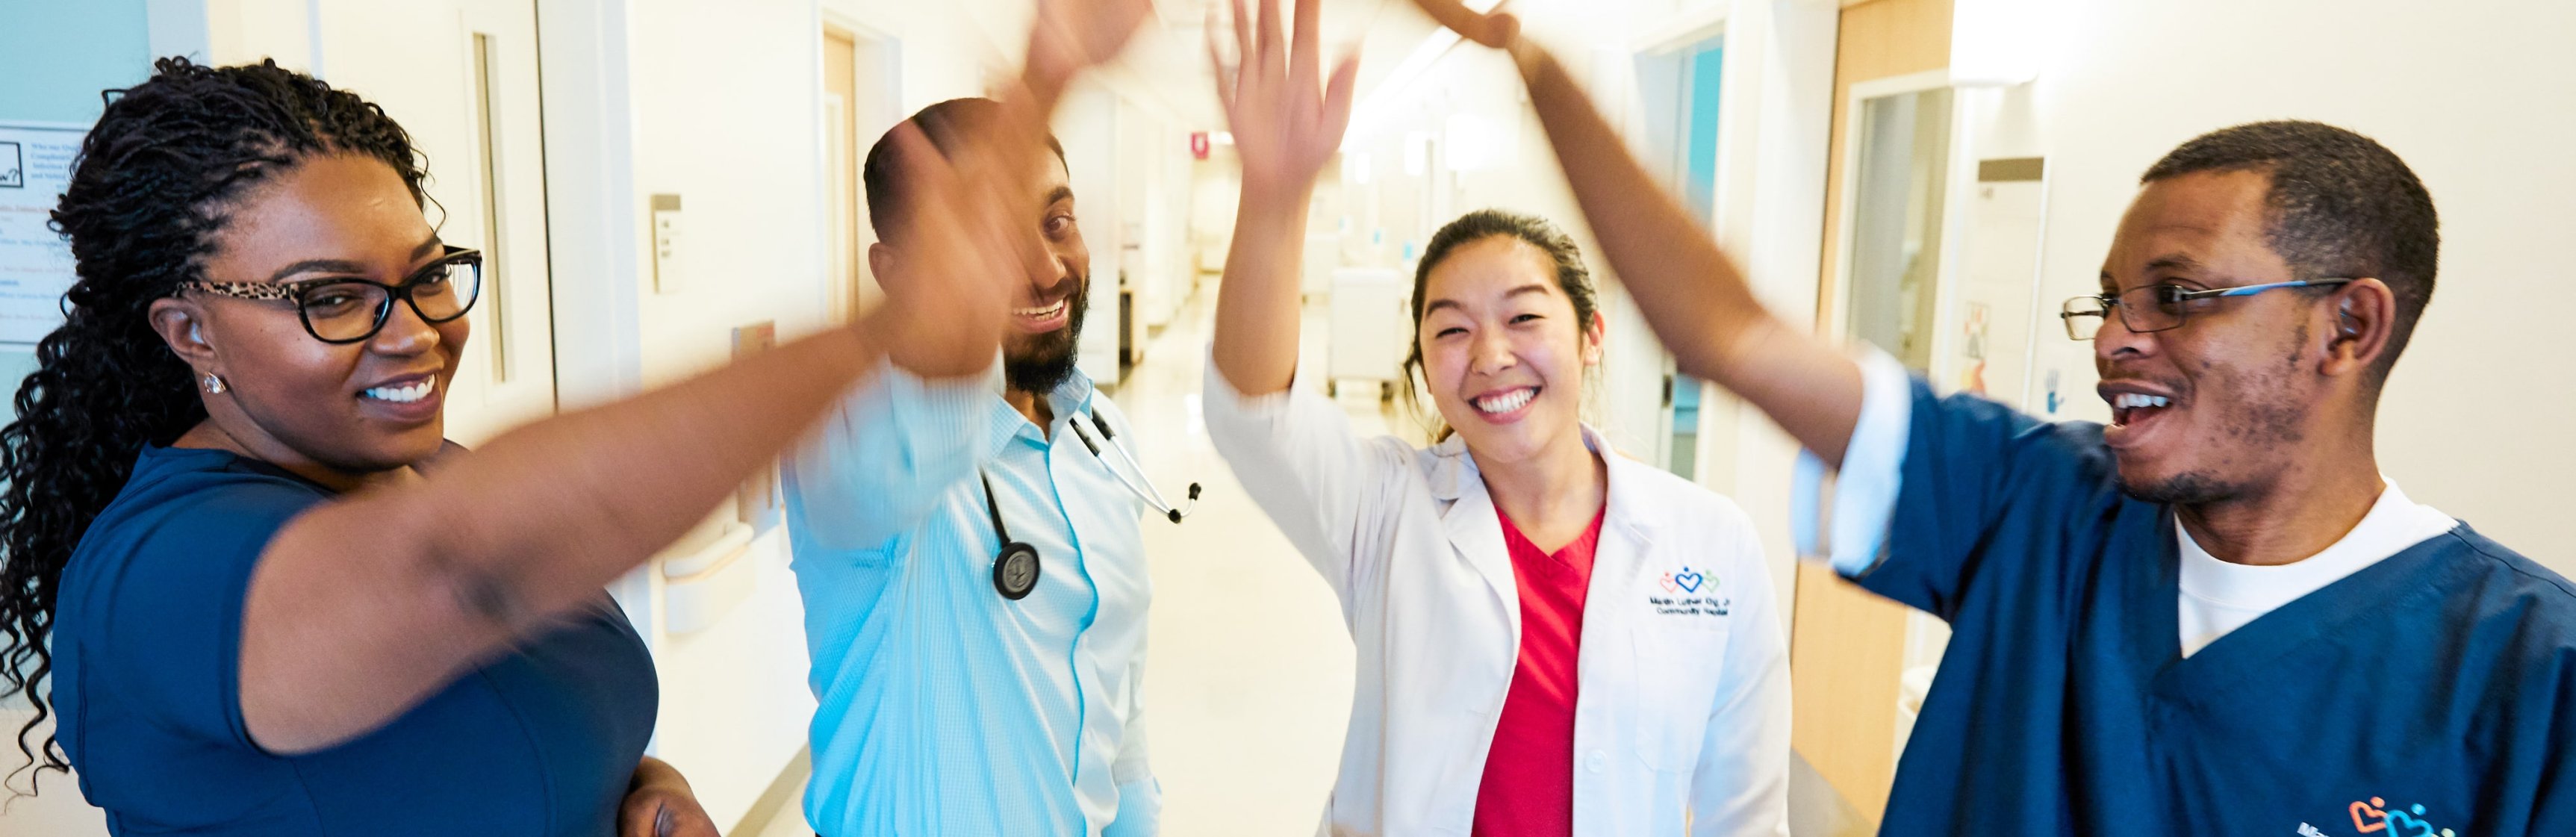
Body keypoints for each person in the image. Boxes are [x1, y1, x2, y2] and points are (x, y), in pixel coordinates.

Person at [1409, 1, 2576, 833]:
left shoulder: (2524, 676)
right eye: (2109, 300)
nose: (2117, 338)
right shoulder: (2038, 506)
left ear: (2348, 329)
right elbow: (1731, 334)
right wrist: (1531, 58)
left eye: (2175, 297)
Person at [0, 45, 1054, 836]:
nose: (411, 331)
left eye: (423, 276)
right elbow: (463, 571)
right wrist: (887, 336)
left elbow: (508, 725)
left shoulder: (423, 472)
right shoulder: (159, 575)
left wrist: (645, 788)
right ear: (189, 330)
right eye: (331, 298)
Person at [1197, 1, 1790, 834]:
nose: (1490, 355)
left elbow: (1748, 812)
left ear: (1590, 336)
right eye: (1450, 329)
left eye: (1523, 317)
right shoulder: (1388, 507)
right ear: (1425, 366)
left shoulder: (1710, 543)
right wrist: (1273, 197)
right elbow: (1255, 415)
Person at [775, 2, 1163, 836]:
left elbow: (1116, 699)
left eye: (1057, 220)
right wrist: (1045, 81)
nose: (1046, 266)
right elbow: (909, 439)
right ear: (894, 271)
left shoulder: (1102, 437)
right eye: (986, 240)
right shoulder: (847, 437)